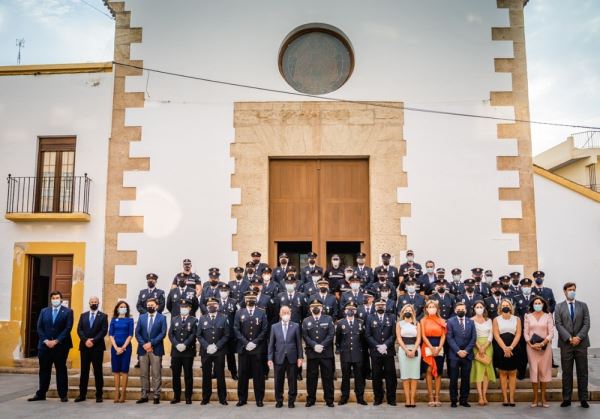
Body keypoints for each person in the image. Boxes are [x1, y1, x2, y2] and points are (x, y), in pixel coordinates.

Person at [28, 291, 74, 402]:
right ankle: (41, 394)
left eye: (57, 297)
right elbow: (39, 327)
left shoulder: (68, 312)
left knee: (61, 370)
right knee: (44, 370)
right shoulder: (44, 311)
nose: (55, 299)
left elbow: (68, 328)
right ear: (51, 299)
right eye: (53, 298)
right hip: (44, 346)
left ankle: (63, 394)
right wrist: (46, 340)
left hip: (61, 346)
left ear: (61, 299)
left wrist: (57, 341)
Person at [555, 282, 590, 408]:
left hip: (581, 344)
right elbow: (558, 324)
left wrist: (579, 337)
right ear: (564, 291)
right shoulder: (559, 307)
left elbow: (587, 323)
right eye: (570, 289)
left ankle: (583, 399)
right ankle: (567, 398)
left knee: (583, 372)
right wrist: (569, 338)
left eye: (574, 289)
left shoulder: (583, 306)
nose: (572, 291)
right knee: (567, 372)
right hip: (566, 344)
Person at [234, 291, 269, 407]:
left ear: (256, 300)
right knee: (242, 375)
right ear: (245, 300)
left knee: (258, 376)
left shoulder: (262, 312)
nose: (250, 300)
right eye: (248, 298)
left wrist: (254, 342)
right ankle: (242, 399)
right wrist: (245, 342)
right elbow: (236, 329)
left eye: (252, 298)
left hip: (257, 349)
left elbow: (264, 329)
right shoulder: (239, 313)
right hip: (243, 349)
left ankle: (259, 399)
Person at [268, 305, 303, 408]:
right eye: (284, 313)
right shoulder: (274, 327)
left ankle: (291, 401)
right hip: (278, 357)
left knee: (292, 381)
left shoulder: (295, 326)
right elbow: (271, 343)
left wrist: (300, 357)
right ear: (280, 314)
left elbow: (299, 344)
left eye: (287, 313)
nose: (286, 315)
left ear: (290, 314)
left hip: (292, 358)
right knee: (278, 381)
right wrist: (270, 358)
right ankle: (279, 400)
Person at [302, 299, 335, 407]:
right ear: (310, 309)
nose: (315, 308)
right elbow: (305, 336)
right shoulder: (306, 321)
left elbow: (331, 334)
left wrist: (322, 345)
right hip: (312, 353)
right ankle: (311, 399)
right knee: (311, 378)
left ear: (321, 308)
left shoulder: (328, 319)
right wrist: (314, 345)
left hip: (326, 353)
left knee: (328, 377)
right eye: (313, 307)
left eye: (318, 306)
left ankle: (329, 400)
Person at [75, 296, 108, 403]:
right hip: (84, 347)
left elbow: (103, 331)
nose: (94, 303)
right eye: (92, 302)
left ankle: (99, 395)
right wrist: (86, 340)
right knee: (84, 371)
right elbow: (79, 329)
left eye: (95, 302)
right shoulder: (83, 315)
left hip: (97, 347)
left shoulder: (103, 316)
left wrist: (93, 341)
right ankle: (82, 395)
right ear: (89, 303)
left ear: (99, 303)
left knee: (98, 371)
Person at [197, 297, 229, 405]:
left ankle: (222, 398)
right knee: (206, 375)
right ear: (206, 307)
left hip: (219, 351)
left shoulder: (224, 318)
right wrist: (207, 346)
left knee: (220, 375)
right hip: (206, 352)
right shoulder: (202, 319)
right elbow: (199, 335)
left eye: (214, 304)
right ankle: (205, 397)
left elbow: (226, 335)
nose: (212, 306)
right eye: (210, 304)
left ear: (218, 306)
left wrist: (216, 346)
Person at [135, 298, 167, 404]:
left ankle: (156, 395)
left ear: (156, 306)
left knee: (156, 373)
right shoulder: (142, 317)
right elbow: (137, 333)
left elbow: (163, 333)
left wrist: (151, 343)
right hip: (143, 349)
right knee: (144, 373)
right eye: (148, 305)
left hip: (156, 349)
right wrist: (144, 344)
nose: (150, 307)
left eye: (152, 305)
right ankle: (144, 395)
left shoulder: (162, 318)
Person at [365, 299, 397, 406]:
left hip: (388, 351)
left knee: (390, 376)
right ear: (375, 306)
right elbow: (368, 335)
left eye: (382, 305)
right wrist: (378, 346)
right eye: (378, 305)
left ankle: (391, 398)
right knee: (376, 376)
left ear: (385, 306)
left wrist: (385, 345)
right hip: (375, 351)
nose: (380, 307)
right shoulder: (370, 317)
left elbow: (393, 334)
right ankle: (378, 398)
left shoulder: (392, 317)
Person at [524, 296, 554, 408]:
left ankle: (544, 398)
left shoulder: (548, 316)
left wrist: (542, 343)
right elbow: (525, 332)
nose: (537, 304)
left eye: (539, 303)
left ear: (543, 304)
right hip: (531, 348)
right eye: (535, 303)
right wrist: (530, 344)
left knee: (544, 371)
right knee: (534, 371)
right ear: (532, 305)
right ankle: (535, 398)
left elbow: (551, 333)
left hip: (545, 348)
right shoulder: (527, 316)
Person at [335, 301, 367, 405]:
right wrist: (339, 349)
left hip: (358, 353)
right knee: (345, 377)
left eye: (352, 309)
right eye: (348, 309)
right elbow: (338, 339)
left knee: (359, 377)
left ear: (355, 311)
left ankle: (360, 397)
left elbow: (363, 339)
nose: (350, 311)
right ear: (345, 311)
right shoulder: (340, 323)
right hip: (345, 354)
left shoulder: (360, 322)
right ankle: (344, 397)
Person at [446, 302, 476, 408]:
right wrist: (458, 351)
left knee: (466, 378)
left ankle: (464, 399)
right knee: (453, 378)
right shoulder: (450, 321)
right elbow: (449, 338)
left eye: (462, 309)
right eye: (458, 309)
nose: (460, 311)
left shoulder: (471, 322)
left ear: (466, 310)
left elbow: (473, 338)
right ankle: (453, 400)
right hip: (454, 355)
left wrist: (466, 351)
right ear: (455, 311)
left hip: (467, 355)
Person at [492, 298, 522, 406]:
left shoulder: (517, 319)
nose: (506, 306)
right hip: (501, 348)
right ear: (500, 307)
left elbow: (518, 334)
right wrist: (505, 348)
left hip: (514, 347)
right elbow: (496, 334)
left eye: (507, 305)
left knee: (513, 373)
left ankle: (512, 398)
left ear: (511, 307)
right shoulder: (496, 319)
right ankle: (505, 398)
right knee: (503, 373)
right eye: (503, 305)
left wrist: (511, 347)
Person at [169, 299, 198, 404]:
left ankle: (188, 396)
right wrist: (177, 344)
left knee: (188, 375)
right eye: (182, 307)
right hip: (176, 352)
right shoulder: (174, 319)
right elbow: (170, 334)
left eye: (186, 307)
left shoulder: (194, 320)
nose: (184, 309)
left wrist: (185, 344)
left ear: (189, 308)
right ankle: (176, 396)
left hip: (188, 352)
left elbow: (194, 334)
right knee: (176, 375)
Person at [421, 300, 446, 407]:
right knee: (429, 371)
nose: (431, 308)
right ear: (426, 309)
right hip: (427, 346)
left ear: (437, 308)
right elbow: (423, 335)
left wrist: (439, 347)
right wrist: (431, 347)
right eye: (429, 307)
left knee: (438, 373)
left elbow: (443, 335)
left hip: (439, 346)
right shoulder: (423, 320)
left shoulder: (442, 320)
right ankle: (430, 397)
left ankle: (437, 397)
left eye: (433, 306)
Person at [470, 300, 496, 406]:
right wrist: (479, 347)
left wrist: (485, 346)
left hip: (488, 346)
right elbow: (472, 335)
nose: (479, 309)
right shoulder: (471, 320)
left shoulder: (489, 320)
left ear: (484, 308)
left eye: (481, 307)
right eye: (477, 307)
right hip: (476, 345)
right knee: (479, 370)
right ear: (474, 309)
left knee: (486, 371)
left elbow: (491, 335)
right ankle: (480, 396)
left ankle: (485, 395)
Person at [108, 300, 134, 403]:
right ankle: (116, 393)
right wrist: (116, 348)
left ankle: (123, 393)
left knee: (124, 370)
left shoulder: (130, 320)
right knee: (116, 370)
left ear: (126, 309)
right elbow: (110, 334)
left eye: (124, 306)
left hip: (126, 348)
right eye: (121, 306)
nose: (122, 308)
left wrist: (122, 348)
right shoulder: (114, 320)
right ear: (117, 308)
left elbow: (130, 334)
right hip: (115, 347)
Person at [396, 305, 421, 408]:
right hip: (403, 349)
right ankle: (407, 399)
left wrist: (413, 350)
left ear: (413, 312)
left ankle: (413, 399)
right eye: (406, 310)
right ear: (402, 312)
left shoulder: (417, 323)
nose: (408, 311)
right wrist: (406, 350)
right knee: (405, 376)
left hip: (415, 348)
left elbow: (419, 338)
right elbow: (399, 338)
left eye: (409, 310)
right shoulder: (399, 324)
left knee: (414, 376)